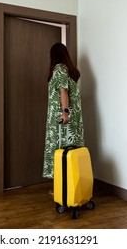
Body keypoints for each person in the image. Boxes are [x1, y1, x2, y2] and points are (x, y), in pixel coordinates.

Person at [43, 43, 85, 187]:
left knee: (61, 150)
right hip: (73, 119)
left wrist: (64, 113)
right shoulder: (69, 70)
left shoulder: (60, 69)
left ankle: (61, 189)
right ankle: (71, 187)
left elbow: (63, 91)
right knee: (71, 151)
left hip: (62, 119)